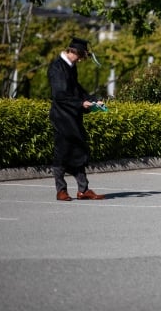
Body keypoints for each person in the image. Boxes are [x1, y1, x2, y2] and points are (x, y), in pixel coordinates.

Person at [48, 37, 106, 201]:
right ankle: (61, 190)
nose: (80, 61)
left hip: (72, 116)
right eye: (80, 57)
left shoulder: (70, 67)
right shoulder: (57, 67)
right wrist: (81, 103)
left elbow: (76, 89)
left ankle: (83, 189)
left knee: (79, 150)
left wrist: (92, 100)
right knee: (62, 153)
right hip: (61, 117)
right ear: (74, 52)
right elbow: (60, 95)